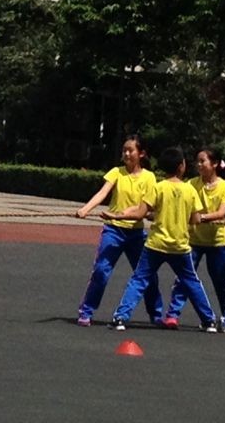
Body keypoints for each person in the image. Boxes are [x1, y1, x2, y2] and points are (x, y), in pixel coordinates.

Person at [105, 146, 217, 332]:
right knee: (191, 281)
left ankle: (120, 318)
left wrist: (117, 216)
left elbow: (140, 213)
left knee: (139, 280)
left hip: (156, 244)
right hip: (180, 245)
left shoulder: (158, 187)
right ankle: (209, 321)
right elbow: (196, 219)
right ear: (181, 166)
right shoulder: (190, 190)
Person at [73, 135, 163, 327]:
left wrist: (145, 214)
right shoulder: (116, 172)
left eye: (131, 150)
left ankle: (156, 313)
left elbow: (146, 205)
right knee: (101, 270)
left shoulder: (149, 177)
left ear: (142, 154)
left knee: (147, 274)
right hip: (113, 231)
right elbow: (103, 193)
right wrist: (85, 209)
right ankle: (86, 311)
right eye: (124, 150)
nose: (126, 153)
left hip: (136, 234)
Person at [162, 148, 225, 328]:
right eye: (197, 161)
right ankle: (172, 315)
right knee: (184, 278)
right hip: (193, 240)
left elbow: (221, 212)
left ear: (215, 164)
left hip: (216, 242)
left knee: (221, 281)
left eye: (203, 161)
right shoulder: (191, 184)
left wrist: (200, 218)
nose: (199, 165)